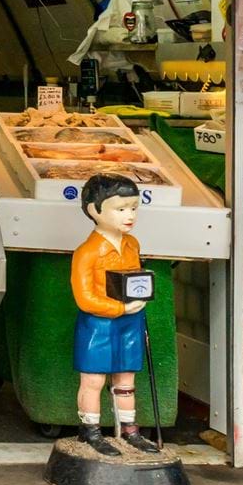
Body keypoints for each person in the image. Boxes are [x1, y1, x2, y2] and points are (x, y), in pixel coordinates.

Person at [71, 172, 160, 456]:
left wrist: (138, 298)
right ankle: (90, 430)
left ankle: (129, 429)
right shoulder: (87, 252)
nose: (129, 215)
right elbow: (84, 297)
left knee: (125, 379)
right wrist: (119, 307)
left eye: (133, 208)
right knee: (94, 379)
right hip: (99, 325)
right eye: (120, 209)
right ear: (94, 210)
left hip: (131, 322)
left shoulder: (132, 245)